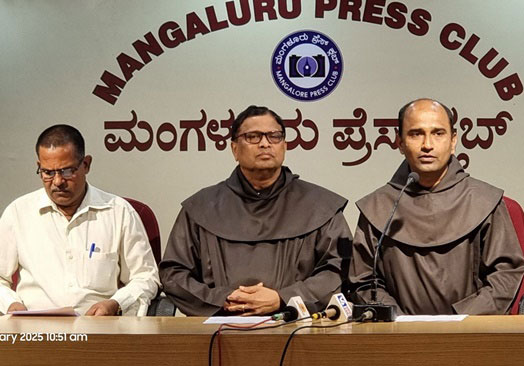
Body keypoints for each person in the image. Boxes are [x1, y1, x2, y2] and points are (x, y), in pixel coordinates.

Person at [159, 105, 352, 316]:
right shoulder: (202, 207)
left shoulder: (319, 206)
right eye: (253, 137)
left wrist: (283, 298)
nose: (265, 143)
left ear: (284, 146)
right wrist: (226, 300)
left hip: (297, 329)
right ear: (234, 149)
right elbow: (174, 274)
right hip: (219, 333)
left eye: (274, 136)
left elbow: (339, 269)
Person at [349, 98, 524, 315]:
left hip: (473, 334)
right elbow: (365, 282)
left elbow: (506, 276)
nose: (427, 145)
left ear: (453, 141)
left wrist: (458, 321)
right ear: (400, 143)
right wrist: (401, 322)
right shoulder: (378, 206)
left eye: (438, 133)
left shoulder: (486, 202)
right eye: (416, 133)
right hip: (398, 338)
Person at [0, 124, 160, 315]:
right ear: (38, 167)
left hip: (99, 331)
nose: (58, 182)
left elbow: (146, 277)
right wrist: (10, 304)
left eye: (67, 171)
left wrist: (116, 303)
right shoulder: (19, 213)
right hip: (34, 333)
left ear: (86, 164)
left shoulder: (118, 212)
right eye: (48, 173)